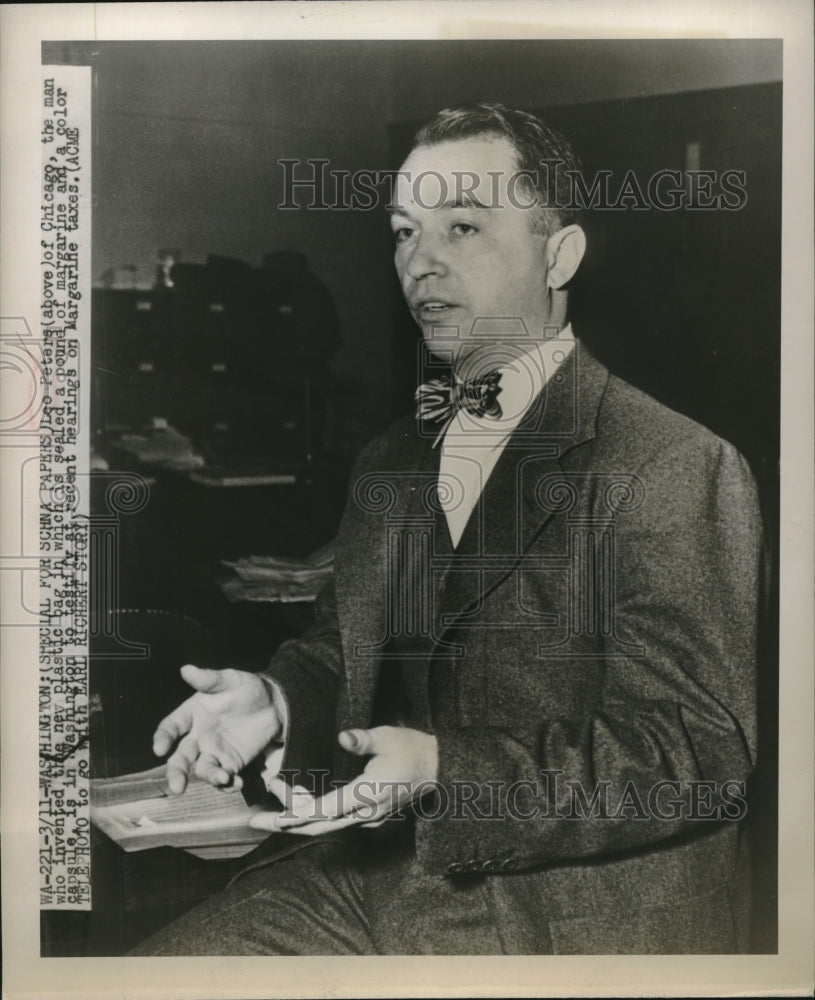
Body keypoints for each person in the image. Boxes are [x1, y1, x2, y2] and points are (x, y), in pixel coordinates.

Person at [133, 103, 764, 955]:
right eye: (402, 232)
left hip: (566, 920)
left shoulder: (672, 462)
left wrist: (444, 774)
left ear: (559, 253)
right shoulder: (392, 456)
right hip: (375, 875)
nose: (420, 263)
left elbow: (695, 754)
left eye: (461, 225)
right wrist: (279, 700)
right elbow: (345, 645)